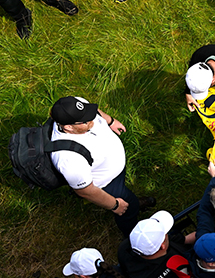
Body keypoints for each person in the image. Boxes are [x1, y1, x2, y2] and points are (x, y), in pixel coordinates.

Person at [48, 95, 147, 237]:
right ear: (68, 127)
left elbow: (95, 111)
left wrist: (110, 121)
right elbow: (85, 191)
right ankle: (135, 235)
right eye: (86, 120)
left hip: (115, 170)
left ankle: (134, 204)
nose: (92, 119)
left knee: (129, 198)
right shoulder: (68, 158)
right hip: (107, 183)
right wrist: (115, 205)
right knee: (127, 209)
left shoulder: (78, 106)